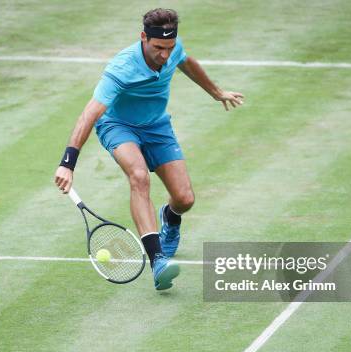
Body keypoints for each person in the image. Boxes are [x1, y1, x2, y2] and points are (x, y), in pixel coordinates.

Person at [54, 8, 244, 290]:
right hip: (118, 126)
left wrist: (216, 93)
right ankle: (158, 261)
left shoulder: (172, 49)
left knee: (185, 198)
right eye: (158, 48)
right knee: (139, 176)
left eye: (168, 47)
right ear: (143, 37)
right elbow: (90, 113)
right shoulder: (121, 68)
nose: (165, 55)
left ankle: (170, 216)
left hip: (157, 126)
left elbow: (186, 62)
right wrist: (67, 163)